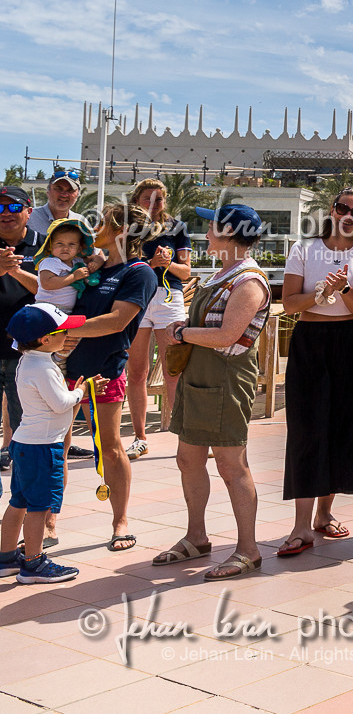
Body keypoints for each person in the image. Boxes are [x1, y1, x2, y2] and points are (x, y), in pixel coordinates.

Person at [152, 204, 271, 580]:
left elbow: (227, 335)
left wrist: (181, 333)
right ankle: (196, 537)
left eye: (213, 229)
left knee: (231, 465)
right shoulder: (221, 275)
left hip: (225, 381)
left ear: (231, 234)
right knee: (188, 459)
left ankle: (248, 550)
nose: (206, 235)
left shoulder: (249, 281)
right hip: (200, 377)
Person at [277, 188, 353, 554]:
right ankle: (301, 525)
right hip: (311, 341)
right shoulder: (304, 249)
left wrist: (345, 287)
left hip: (352, 344)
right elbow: (289, 303)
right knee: (306, 430)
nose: (349, 214)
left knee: (344, 429)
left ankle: (324, 513)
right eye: (342, 207)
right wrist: (321, 294)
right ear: (332, 211)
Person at [61, 200, 157, 552]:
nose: (94, 229)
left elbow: (118, 321)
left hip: (105, 370)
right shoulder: (93, 267)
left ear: (121, 231)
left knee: (113, 447)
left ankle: (121, 522)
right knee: (61, 446)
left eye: (101, 223)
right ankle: (51, 521)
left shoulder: (139, 273)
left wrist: (64, 331)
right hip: (67, 369)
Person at [0, 304, 85, 584]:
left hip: (25, 443)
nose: (68, 333)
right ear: (45, 340)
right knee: (39, 507)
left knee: (19, 501)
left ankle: (6, 558)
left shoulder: (28, 360)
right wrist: (80, 391)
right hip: (42, 448)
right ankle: (33, 564)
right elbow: (60, 404)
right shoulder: (43, 366)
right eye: (62, 330)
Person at [125, 178, 192, 460]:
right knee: (137, 373)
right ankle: (140, 438)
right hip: (136, 297)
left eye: (159, 199)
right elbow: (119, 264)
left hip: (168, 298)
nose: (153, 204)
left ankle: (185, 437)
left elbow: (186, 272)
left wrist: (168, 264)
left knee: (173, 371)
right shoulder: (127, 226)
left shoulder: (176, 227)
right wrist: (149, 264)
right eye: (147, 199)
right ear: (136, 200)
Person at [0, 187, 44, 476]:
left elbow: (56, 292)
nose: (6, 214)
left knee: (25, 427)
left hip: (26, 352)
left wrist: (14, 271)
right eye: (0, 208)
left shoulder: (46, 247)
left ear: (29, 211)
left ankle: (23, 502)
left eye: (14, 208)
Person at [34, 218, 98, 312]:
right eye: (60, 243)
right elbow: (47, 283)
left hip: (64, 312)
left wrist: (95, 263)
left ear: (79, 248)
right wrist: (73, 276)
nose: (65, 248)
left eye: (71, 244)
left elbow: (98, 258)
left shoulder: (77, 262)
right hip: (46, 309)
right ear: (50, 246)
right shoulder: (50, 262)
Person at [25, 168, 85, 235]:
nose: (64, 195)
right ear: (48, 192)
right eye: (58, 189)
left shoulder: (81, 222)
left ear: (78, 195)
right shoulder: (29, 218)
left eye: (70, 190)